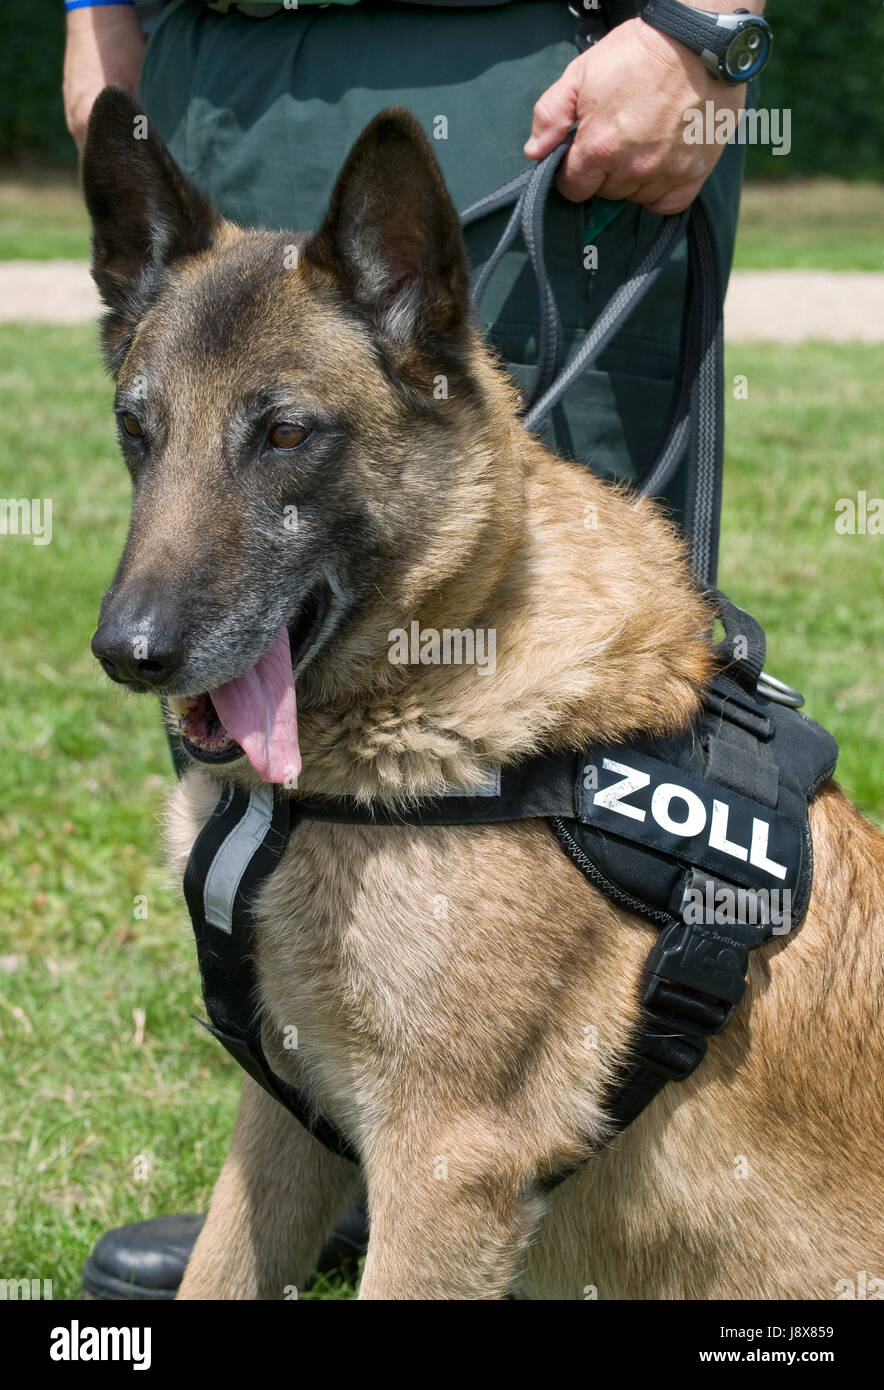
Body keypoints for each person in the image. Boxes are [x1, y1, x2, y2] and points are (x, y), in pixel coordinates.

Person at [64, 0, 768, 1298]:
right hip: (216, 61)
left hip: (531, 70)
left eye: (283, 444)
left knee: (457, 1097)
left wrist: (705, 25)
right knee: (360, 998)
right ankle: (376, 1174)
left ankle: (446, 1178)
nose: (135, 627)